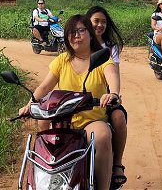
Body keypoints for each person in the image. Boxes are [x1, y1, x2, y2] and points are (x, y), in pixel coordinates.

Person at [18, 14, 120, 190]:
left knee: (102, 136)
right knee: (42, 122)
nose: (76, 35)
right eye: (71, 32)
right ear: (66, 37)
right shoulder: (62, 60)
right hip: (64, 121)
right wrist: (30, 104)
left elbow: (113, 79)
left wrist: (113, 94)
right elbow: (44, 88)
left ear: (90, 34)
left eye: (81, 30)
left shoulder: (102, 59)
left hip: (91, 120)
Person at [85, 5, 128, 189]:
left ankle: (117, 164)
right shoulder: (80, 41)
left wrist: (113, 94)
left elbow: (113, 73)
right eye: (96, 21)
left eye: (103, 22)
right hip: (80, 98)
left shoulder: (110, 47)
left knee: (118, 116)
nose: (100, 25)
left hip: (103, 97)